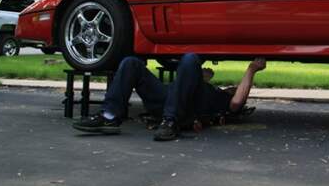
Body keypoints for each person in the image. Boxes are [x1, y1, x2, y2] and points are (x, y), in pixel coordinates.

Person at [72, 53, 267, 141]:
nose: (234, 87)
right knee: (131, 62)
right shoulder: (209, 90)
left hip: (179, 110)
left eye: (236, 87)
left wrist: (251, 69)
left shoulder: (223, 102)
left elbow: (237, 102)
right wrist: (202, 78)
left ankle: (170, 123)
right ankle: (109, 117)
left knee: (191, 58)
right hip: (166, 97)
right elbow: (187, 82)